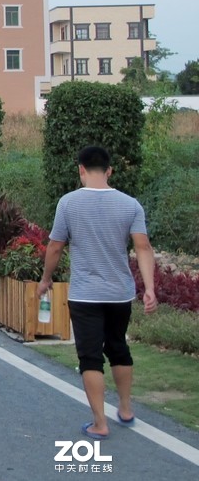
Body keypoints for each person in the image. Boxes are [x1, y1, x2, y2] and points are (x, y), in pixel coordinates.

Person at [38, 145, 159, 440]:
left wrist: (46, 278)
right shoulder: (131, 205)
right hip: (120, 294)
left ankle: (100, 423)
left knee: (90, 356)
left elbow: (55, 247)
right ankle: (126, 409)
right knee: (118, 347)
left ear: (81, 169)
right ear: (109, 171)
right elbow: (143, 247)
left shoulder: (68, 203)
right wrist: (149, 289)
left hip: (85, 295)